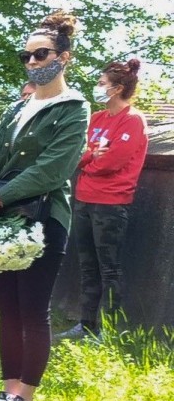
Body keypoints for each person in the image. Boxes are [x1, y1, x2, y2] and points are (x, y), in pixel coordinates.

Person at [0, 11, 90, 401]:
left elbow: (53, 169)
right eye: (27, 56)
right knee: (7, 308)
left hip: (43, 219)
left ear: (65, 57)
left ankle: (26, 400)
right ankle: (7, 394)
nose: (33, 63)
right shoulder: (16, 108)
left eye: (42, 54)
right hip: (1, 218)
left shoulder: (74, 109)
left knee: (33, 308)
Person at [55, 59, 149, 342]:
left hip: (111, 203)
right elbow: (76, 152)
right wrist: (89, 157)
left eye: (101, 84)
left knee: (109, 269)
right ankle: (86, 325)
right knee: (87, 266)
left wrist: (89, 163)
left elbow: (114, 161)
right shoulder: (96, 118)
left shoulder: (132, 120)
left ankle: (108, 332)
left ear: (117, 88)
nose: (97, 87)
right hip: (84, 199)